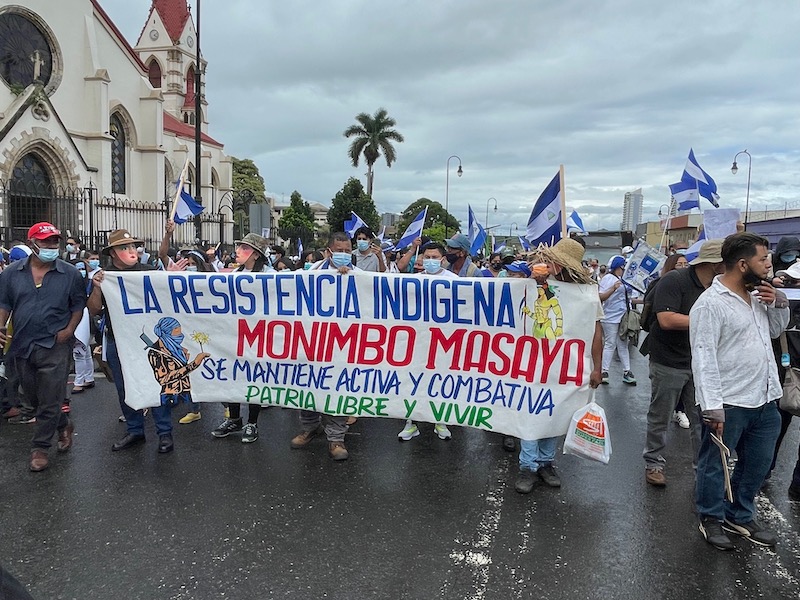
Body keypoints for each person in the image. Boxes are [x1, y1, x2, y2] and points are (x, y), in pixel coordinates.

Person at [691, 232, 789, 550]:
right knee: (715, 463)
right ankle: (711, 518)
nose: (769, 265)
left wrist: (778, 303)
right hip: (729, 402)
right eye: (763, 259)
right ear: (743, 264)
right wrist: (712, 405)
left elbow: (775, 331)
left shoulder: (759, 295)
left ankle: (739, 514)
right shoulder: (710, 304)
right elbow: (703, 357)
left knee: (757, 463)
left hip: (765, 397)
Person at [515, 238, 603, 493]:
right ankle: (527, 466)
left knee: (556, 409)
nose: (549, 264)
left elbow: (595, 331)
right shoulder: (532, 285)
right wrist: (534, 281)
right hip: (532, 360)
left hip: (565, 362)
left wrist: (597, 367)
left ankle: (545, 462)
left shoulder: (587, 293)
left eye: (554, 261)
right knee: (532, 410)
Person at [0, 222, 85, 471]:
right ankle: (63, 424)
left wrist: (68, 330)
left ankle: (40, 448)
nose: (51, 246)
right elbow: (4, 304)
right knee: (34, 399)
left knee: (50, 398)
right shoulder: (11, 274)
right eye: (45, 241)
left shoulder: (70, 274)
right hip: (23, 345)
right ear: (32, 244)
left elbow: (77, 306)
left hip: (55, 344)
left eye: (54, 241)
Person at [641, 240, 724, 487]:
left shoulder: (718, 286)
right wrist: (707, 321)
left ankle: (703, 472)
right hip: (668, 360)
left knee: (702, 419)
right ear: (714, 263)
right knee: (661, 415)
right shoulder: (675, 280)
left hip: (701, 362)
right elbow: (666, 319)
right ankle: (653, 462)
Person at [88, 229, 178, 454]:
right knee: (124, 387)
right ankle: (135, 430)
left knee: (157, 384)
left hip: (149, 342)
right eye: (124, 248)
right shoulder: (105, 276)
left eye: (132, 247)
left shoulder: (149, 272)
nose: (131, 251)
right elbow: (93, 309)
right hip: (119, 341)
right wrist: (98, 287)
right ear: (113, 254)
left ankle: (164, 433)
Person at [293, 231, 360, 460]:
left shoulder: (360, 276)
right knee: (308, 386)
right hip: (313, 343)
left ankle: (336, 439)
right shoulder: (311, 273)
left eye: (347, 251)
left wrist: (349, 278)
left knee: (337, 389)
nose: (344, 255)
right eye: (339, 251)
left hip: (343, 344)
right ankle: (310, 427)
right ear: (328, 251)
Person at [211, 233, 274, 443]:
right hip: (235, 334)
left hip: (258, 335)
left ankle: (252, 423)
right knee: (234, 376)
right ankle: (234, 419)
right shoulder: (232, 273)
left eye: (244, 248)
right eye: (238, 248)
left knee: (254, 377)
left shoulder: (270, 274)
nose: (238, 252)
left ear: (255, 255)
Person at [396, 242, 456, 442]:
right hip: (417, 343)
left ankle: (439, 420)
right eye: (427, 257)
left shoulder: (454, 282)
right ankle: (411, 422)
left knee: (439, 381)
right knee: (412, 382)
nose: (430, 261)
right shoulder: (413, 282)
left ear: (443, 259)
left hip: (442, 343)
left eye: (434, 257)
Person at [598, 255, 636, 385]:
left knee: (622, 343)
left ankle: (627, 371)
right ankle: (604, 371)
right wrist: (613, 288)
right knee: (610, 344)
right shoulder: (608, 279)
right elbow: (601, 296)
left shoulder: (623, 280)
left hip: (623, 316)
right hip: (610, 316)